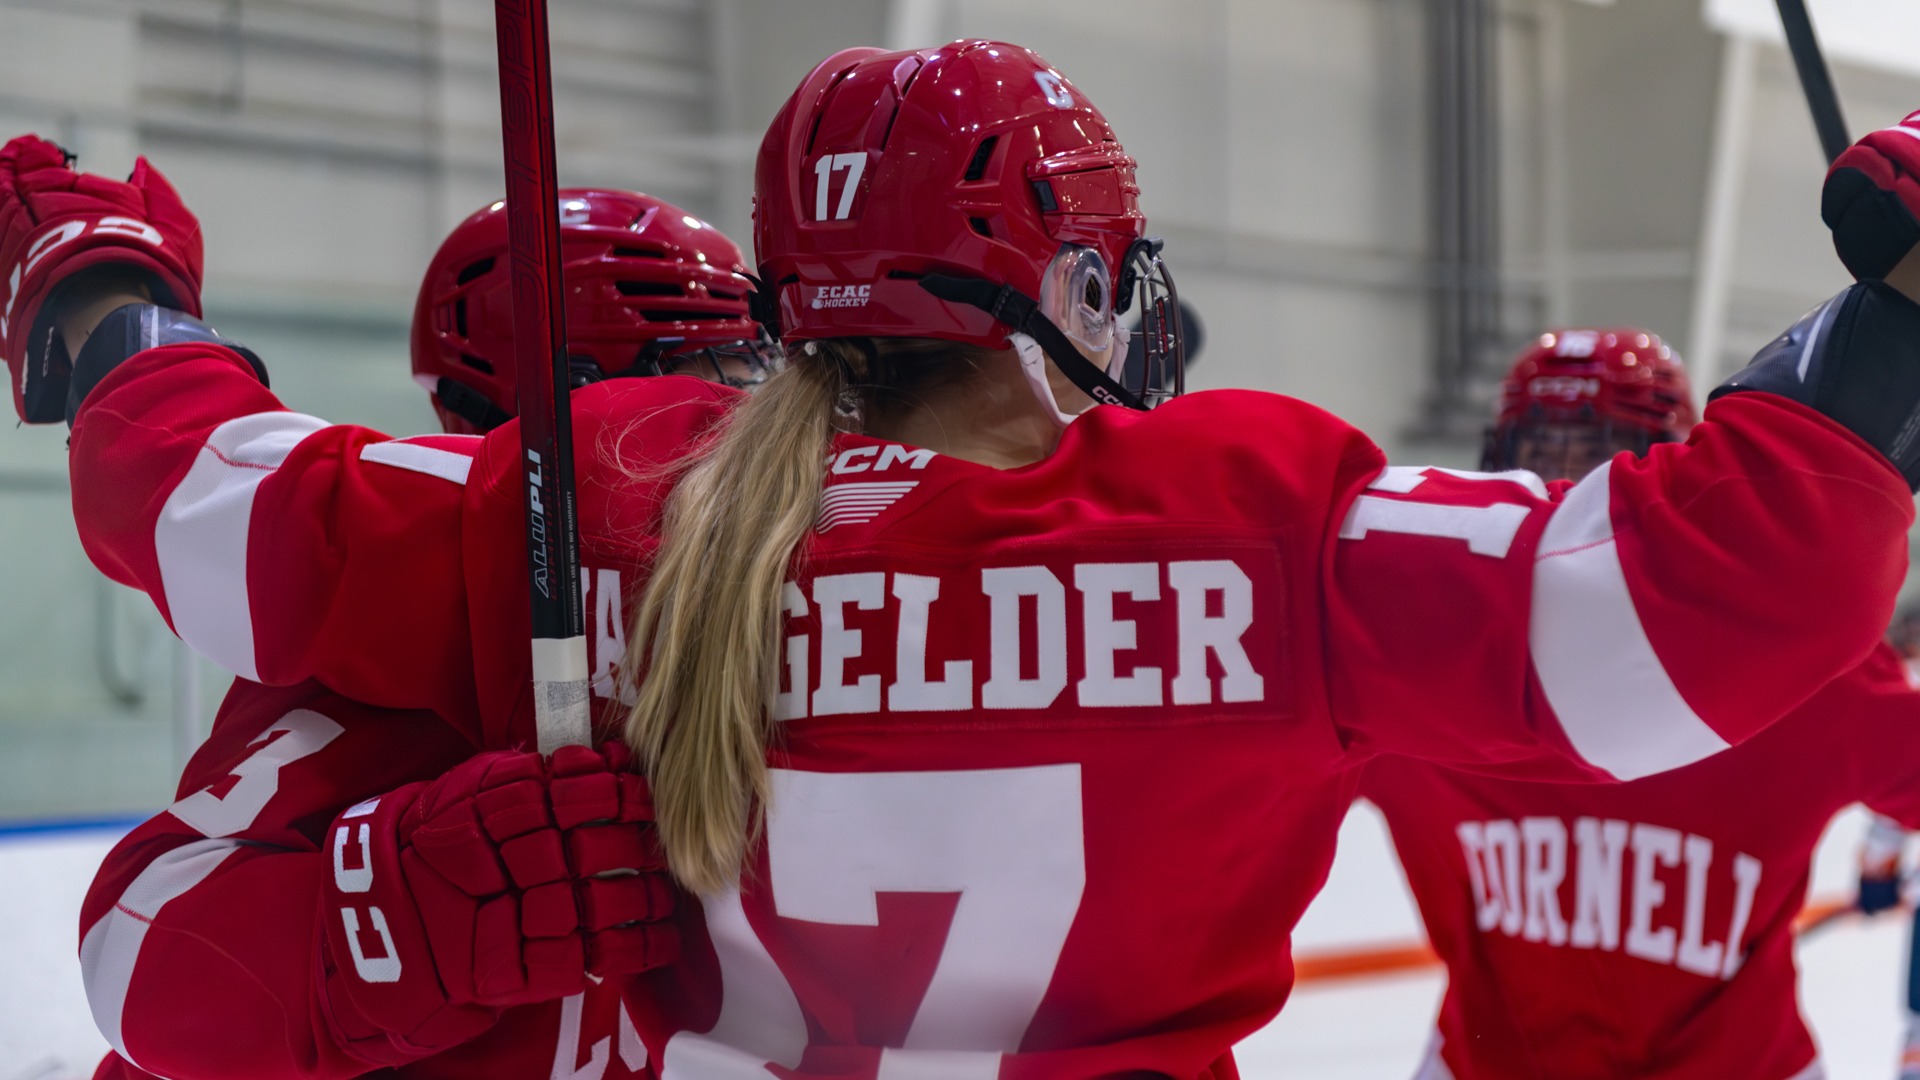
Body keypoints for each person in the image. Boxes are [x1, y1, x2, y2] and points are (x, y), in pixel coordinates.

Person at [11, 40, 1920, 1077]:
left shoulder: (596, 499)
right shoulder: (1251, 523)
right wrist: (1896, 319)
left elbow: (187, 487)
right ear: (1071, 281)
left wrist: (107, 290)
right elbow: (1713, 598)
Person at [68, 186, 772, 1080]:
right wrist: (396, 918)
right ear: (592, 396)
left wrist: (104, 298)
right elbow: (142, 959)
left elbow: (190, 478)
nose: (741, 415)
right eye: (716, 372)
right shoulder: (417, 624)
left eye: (750, 370)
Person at [1355, 331, 1920, 1079]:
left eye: (1596, 460)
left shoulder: (1797, 668)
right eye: (1541, 454)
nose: (1563, 495)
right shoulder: (1411, 660)